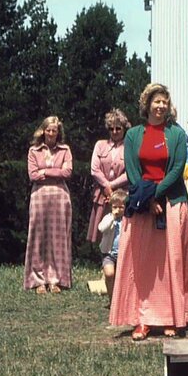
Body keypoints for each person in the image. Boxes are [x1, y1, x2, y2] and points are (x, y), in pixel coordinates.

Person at [110, 83, 188, 340]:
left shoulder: (176, 134)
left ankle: (172, 318)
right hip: (143, 206)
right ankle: (143, 320)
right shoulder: (133, 135)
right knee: (143, 266)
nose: (161, 106)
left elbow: (177, 168)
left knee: (171, 263)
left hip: (172, 202)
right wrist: (147, 200)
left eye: (164, 102)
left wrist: (157, 195)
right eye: (156, 101)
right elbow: (132, 169)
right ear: (147, 104)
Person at [23, 116, 73, 294]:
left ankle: (56, 279)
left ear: (58, 132)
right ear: (43, 131)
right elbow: (33, 175)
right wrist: (54, 172)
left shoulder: (65, 149)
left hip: (60, 197)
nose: (51, 133)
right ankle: (38, 280)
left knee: (58, 238)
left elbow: (67, 173)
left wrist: (44, 171)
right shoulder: (34, 150)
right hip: (39, 196)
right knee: (38, 237)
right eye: (48, 130)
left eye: (54, 130)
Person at [85, 109, 130, 244]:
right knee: (102, 231)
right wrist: (106, 186)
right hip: (102, 195)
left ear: (124, 128)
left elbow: (130, 172)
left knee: (120, 233)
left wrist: (111, 186)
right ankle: (102, 256)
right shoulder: (100, 145)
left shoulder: (129, 147)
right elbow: (94, 169)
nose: (115, 131)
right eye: (111, 129)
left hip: (122, 195)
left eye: (118, 128)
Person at [97, 190, 126, 307]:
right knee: (109, 274)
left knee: (122, 278)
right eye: (115, 207)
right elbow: (101, 228)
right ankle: (112, 300)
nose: (118, 210)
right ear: (111, 207)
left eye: (121, 207)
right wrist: (113, 217)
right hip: (109, 253)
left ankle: (122, 301)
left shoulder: (128, 220)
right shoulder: (108, 218)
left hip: (123, 254)